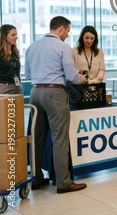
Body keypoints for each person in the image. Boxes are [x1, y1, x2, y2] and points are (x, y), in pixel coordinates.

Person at [25, 16, 88, 193]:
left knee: (37, 138)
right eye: (67, 30)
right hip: (55, 94)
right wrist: (81, 78)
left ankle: (36, 178)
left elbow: (28, 74)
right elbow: (71, 75)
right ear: (60, 28)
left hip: (35, 93)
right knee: (59, 138)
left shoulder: (32, 46)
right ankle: (63, 182)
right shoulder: (62, 47)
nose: (68, 34)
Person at [0, 24, 23, 94]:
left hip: (17, 86)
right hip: (4, 87)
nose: (16, 37)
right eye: (13, 35)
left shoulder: (15, 53)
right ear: (4, 37)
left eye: (16, 35)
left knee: (18, 105)